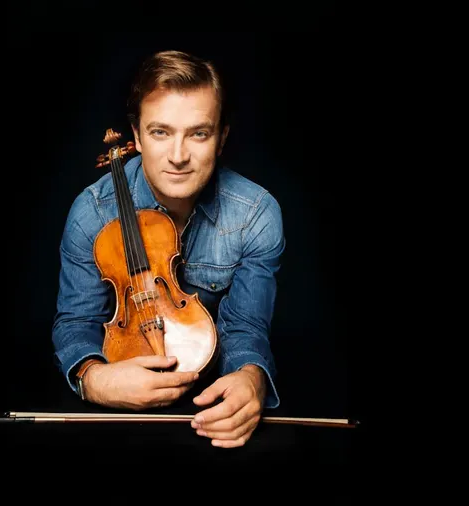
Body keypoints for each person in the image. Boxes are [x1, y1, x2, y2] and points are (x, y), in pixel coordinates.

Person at [51, 50, 285, 448]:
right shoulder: (93, 212)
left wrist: (251, 378)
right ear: (137, 136)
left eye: (198, 133)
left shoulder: (256, 214)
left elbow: (246, 327)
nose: (178, 157)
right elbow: (76, 321)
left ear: (222, 138)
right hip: (117, 430)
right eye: (160, 132)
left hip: (204, 413)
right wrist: (96, 379)